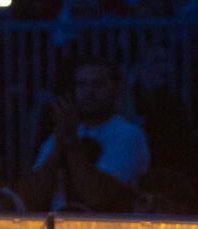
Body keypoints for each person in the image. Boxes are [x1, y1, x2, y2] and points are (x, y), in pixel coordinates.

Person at [21, 57, 149, 212]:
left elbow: (96, 196)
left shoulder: (128, 136)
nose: (89, 92)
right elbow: (31, 196)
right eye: (82, 85)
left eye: (98, 84)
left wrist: (71, 141)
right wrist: (59, 146)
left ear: (116, 89)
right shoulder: (60, 134)